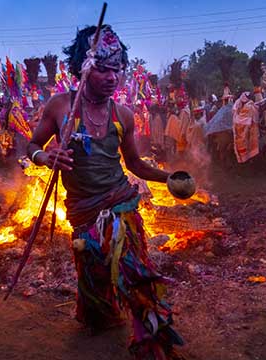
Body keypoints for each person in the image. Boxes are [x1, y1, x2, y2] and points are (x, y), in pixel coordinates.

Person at [27, 25, 184, 359]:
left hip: (120, 204)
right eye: (102, 68)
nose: (112, 77)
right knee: (94, 277)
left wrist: (169, 177)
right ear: (83, 69)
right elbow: (31, 145)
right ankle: (99, 322)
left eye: (117, 69)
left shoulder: (123, 115)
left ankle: (152, 342)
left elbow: (136, 165)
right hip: (83, 211)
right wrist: (44, 156)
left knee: (136, 273)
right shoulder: (59, 107)